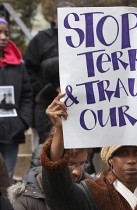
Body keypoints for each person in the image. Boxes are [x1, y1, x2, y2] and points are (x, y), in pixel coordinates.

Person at [24, 1, 74, 144]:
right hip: (46, 103)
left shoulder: (87, 40)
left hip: (77, 102)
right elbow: (29, 70)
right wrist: (47, 88)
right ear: (54, 18)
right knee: (45, 146)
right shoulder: (40, 40)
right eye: (63, 16)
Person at [8, 145, 94, 210]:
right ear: (53, 163)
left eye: (82, 163)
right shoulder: (26, 201)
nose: (77, 172)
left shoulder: (94, 191)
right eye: (70, 164)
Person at [0, 17, 33, 183]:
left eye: (6, 33)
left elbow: (27, 95)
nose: (4, 37)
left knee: (7, 175)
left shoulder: (18, 65)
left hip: (11, 130)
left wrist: (23, 121)